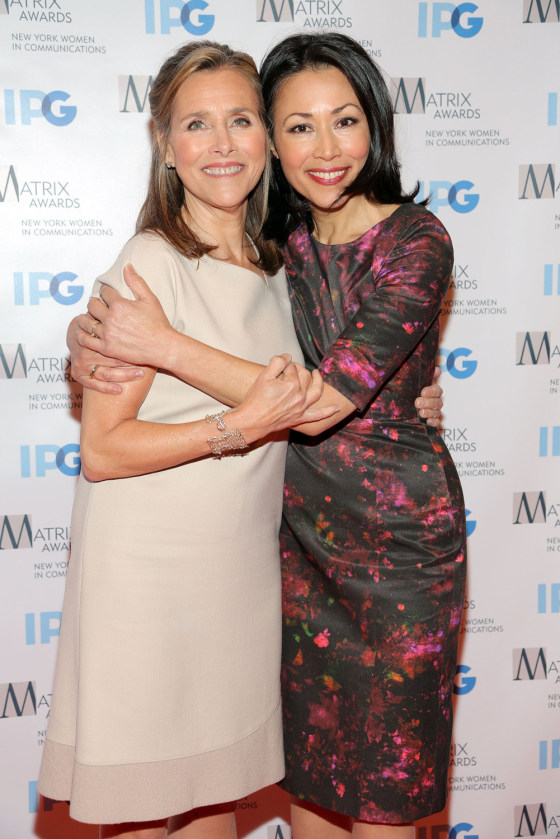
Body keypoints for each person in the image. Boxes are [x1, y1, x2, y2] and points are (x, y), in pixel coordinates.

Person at [66, 33, 461, 839]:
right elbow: (154, 369)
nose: (325, 147)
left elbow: (318, 401)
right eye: (298, 126)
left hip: (395, 564)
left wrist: (163, 343)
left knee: (383, 803)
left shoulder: (397, 241)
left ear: (376, 124)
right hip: (289, 560)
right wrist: (92, 337)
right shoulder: (288, 246)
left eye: (344, 120)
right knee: (295, 798)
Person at [37, 41, 340, 839]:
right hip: (150, 584)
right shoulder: (151, 262)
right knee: (144, 811)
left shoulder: (277, 266)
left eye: (241, 120)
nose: (222, 143)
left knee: (211, 806)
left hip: (235, 579)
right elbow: (103, 450)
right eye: (196, 125)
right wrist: (231, 429)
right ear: (166, 147)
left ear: (267, 140)